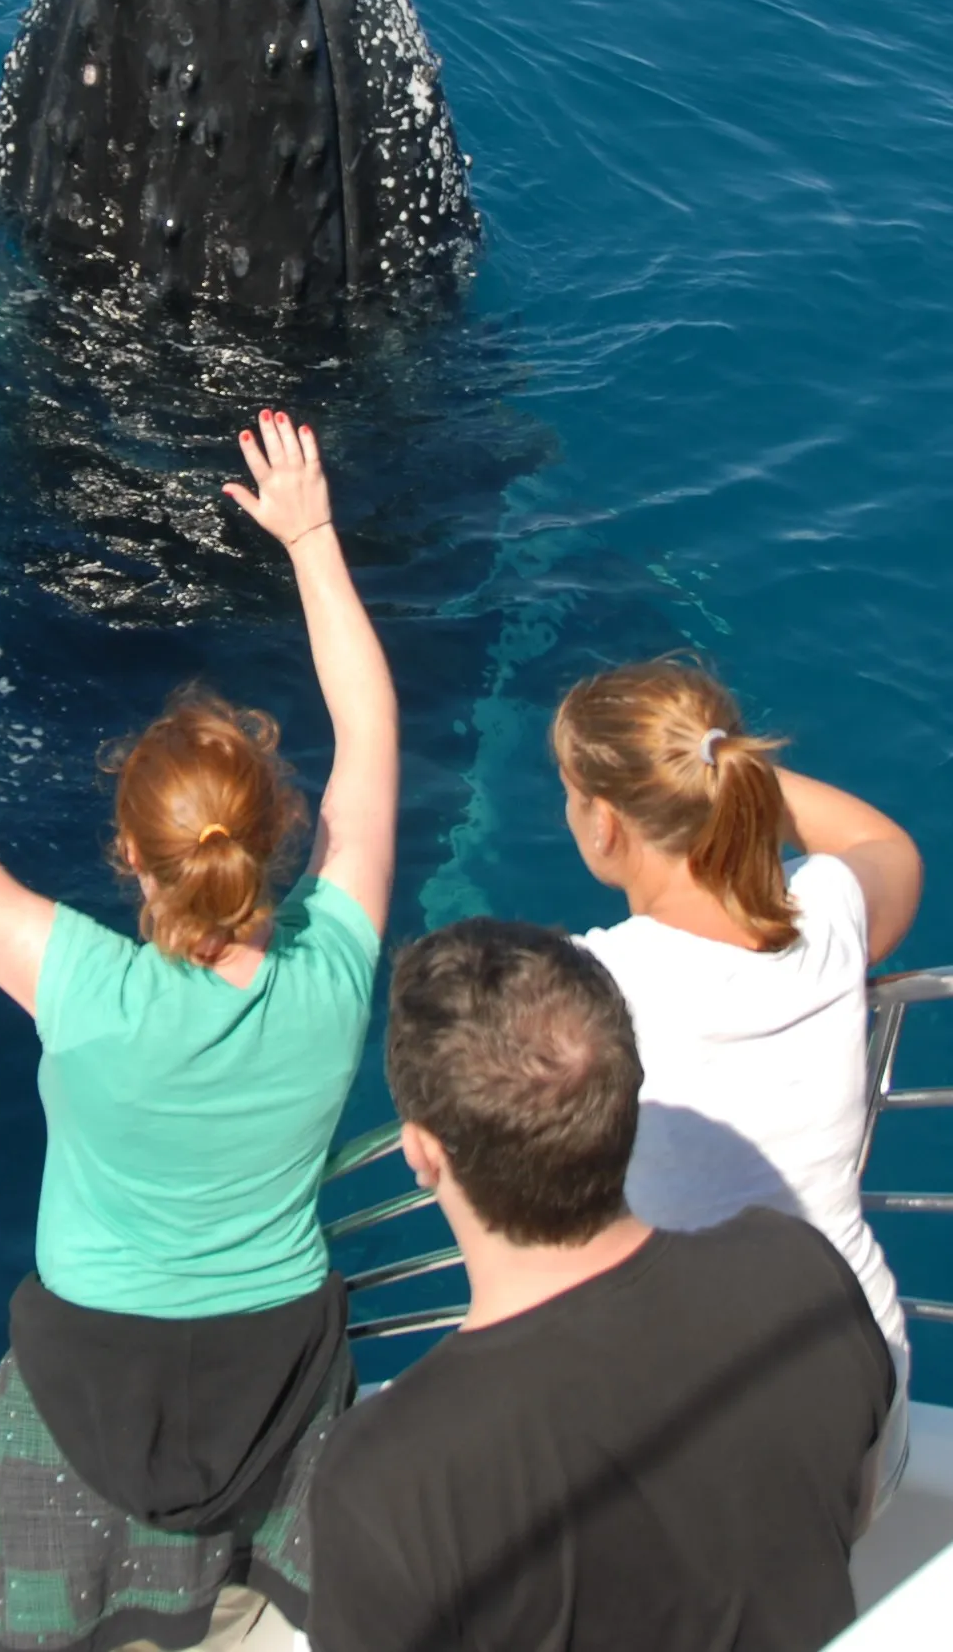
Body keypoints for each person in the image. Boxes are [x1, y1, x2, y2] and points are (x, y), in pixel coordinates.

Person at [0, 412, 397, 1651]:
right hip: (283, 1374)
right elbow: (373, 735)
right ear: (276, 831)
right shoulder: (333, 970)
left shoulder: (86, 986)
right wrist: (312, 536)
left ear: (128, 854)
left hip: (85, 1394)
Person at [310, 919, 894, 1652]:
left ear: (422, 1152)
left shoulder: (387, 1477)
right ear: (626, 1096)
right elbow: (849, 1511)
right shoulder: (801, 1276)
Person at [551, 658, 922, 1503]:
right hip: (860, 1357)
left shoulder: (589, 982)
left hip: (699, 1397)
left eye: (572, 792)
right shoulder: (825, 915)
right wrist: (716, 762)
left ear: (604, 824)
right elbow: (884, 846)